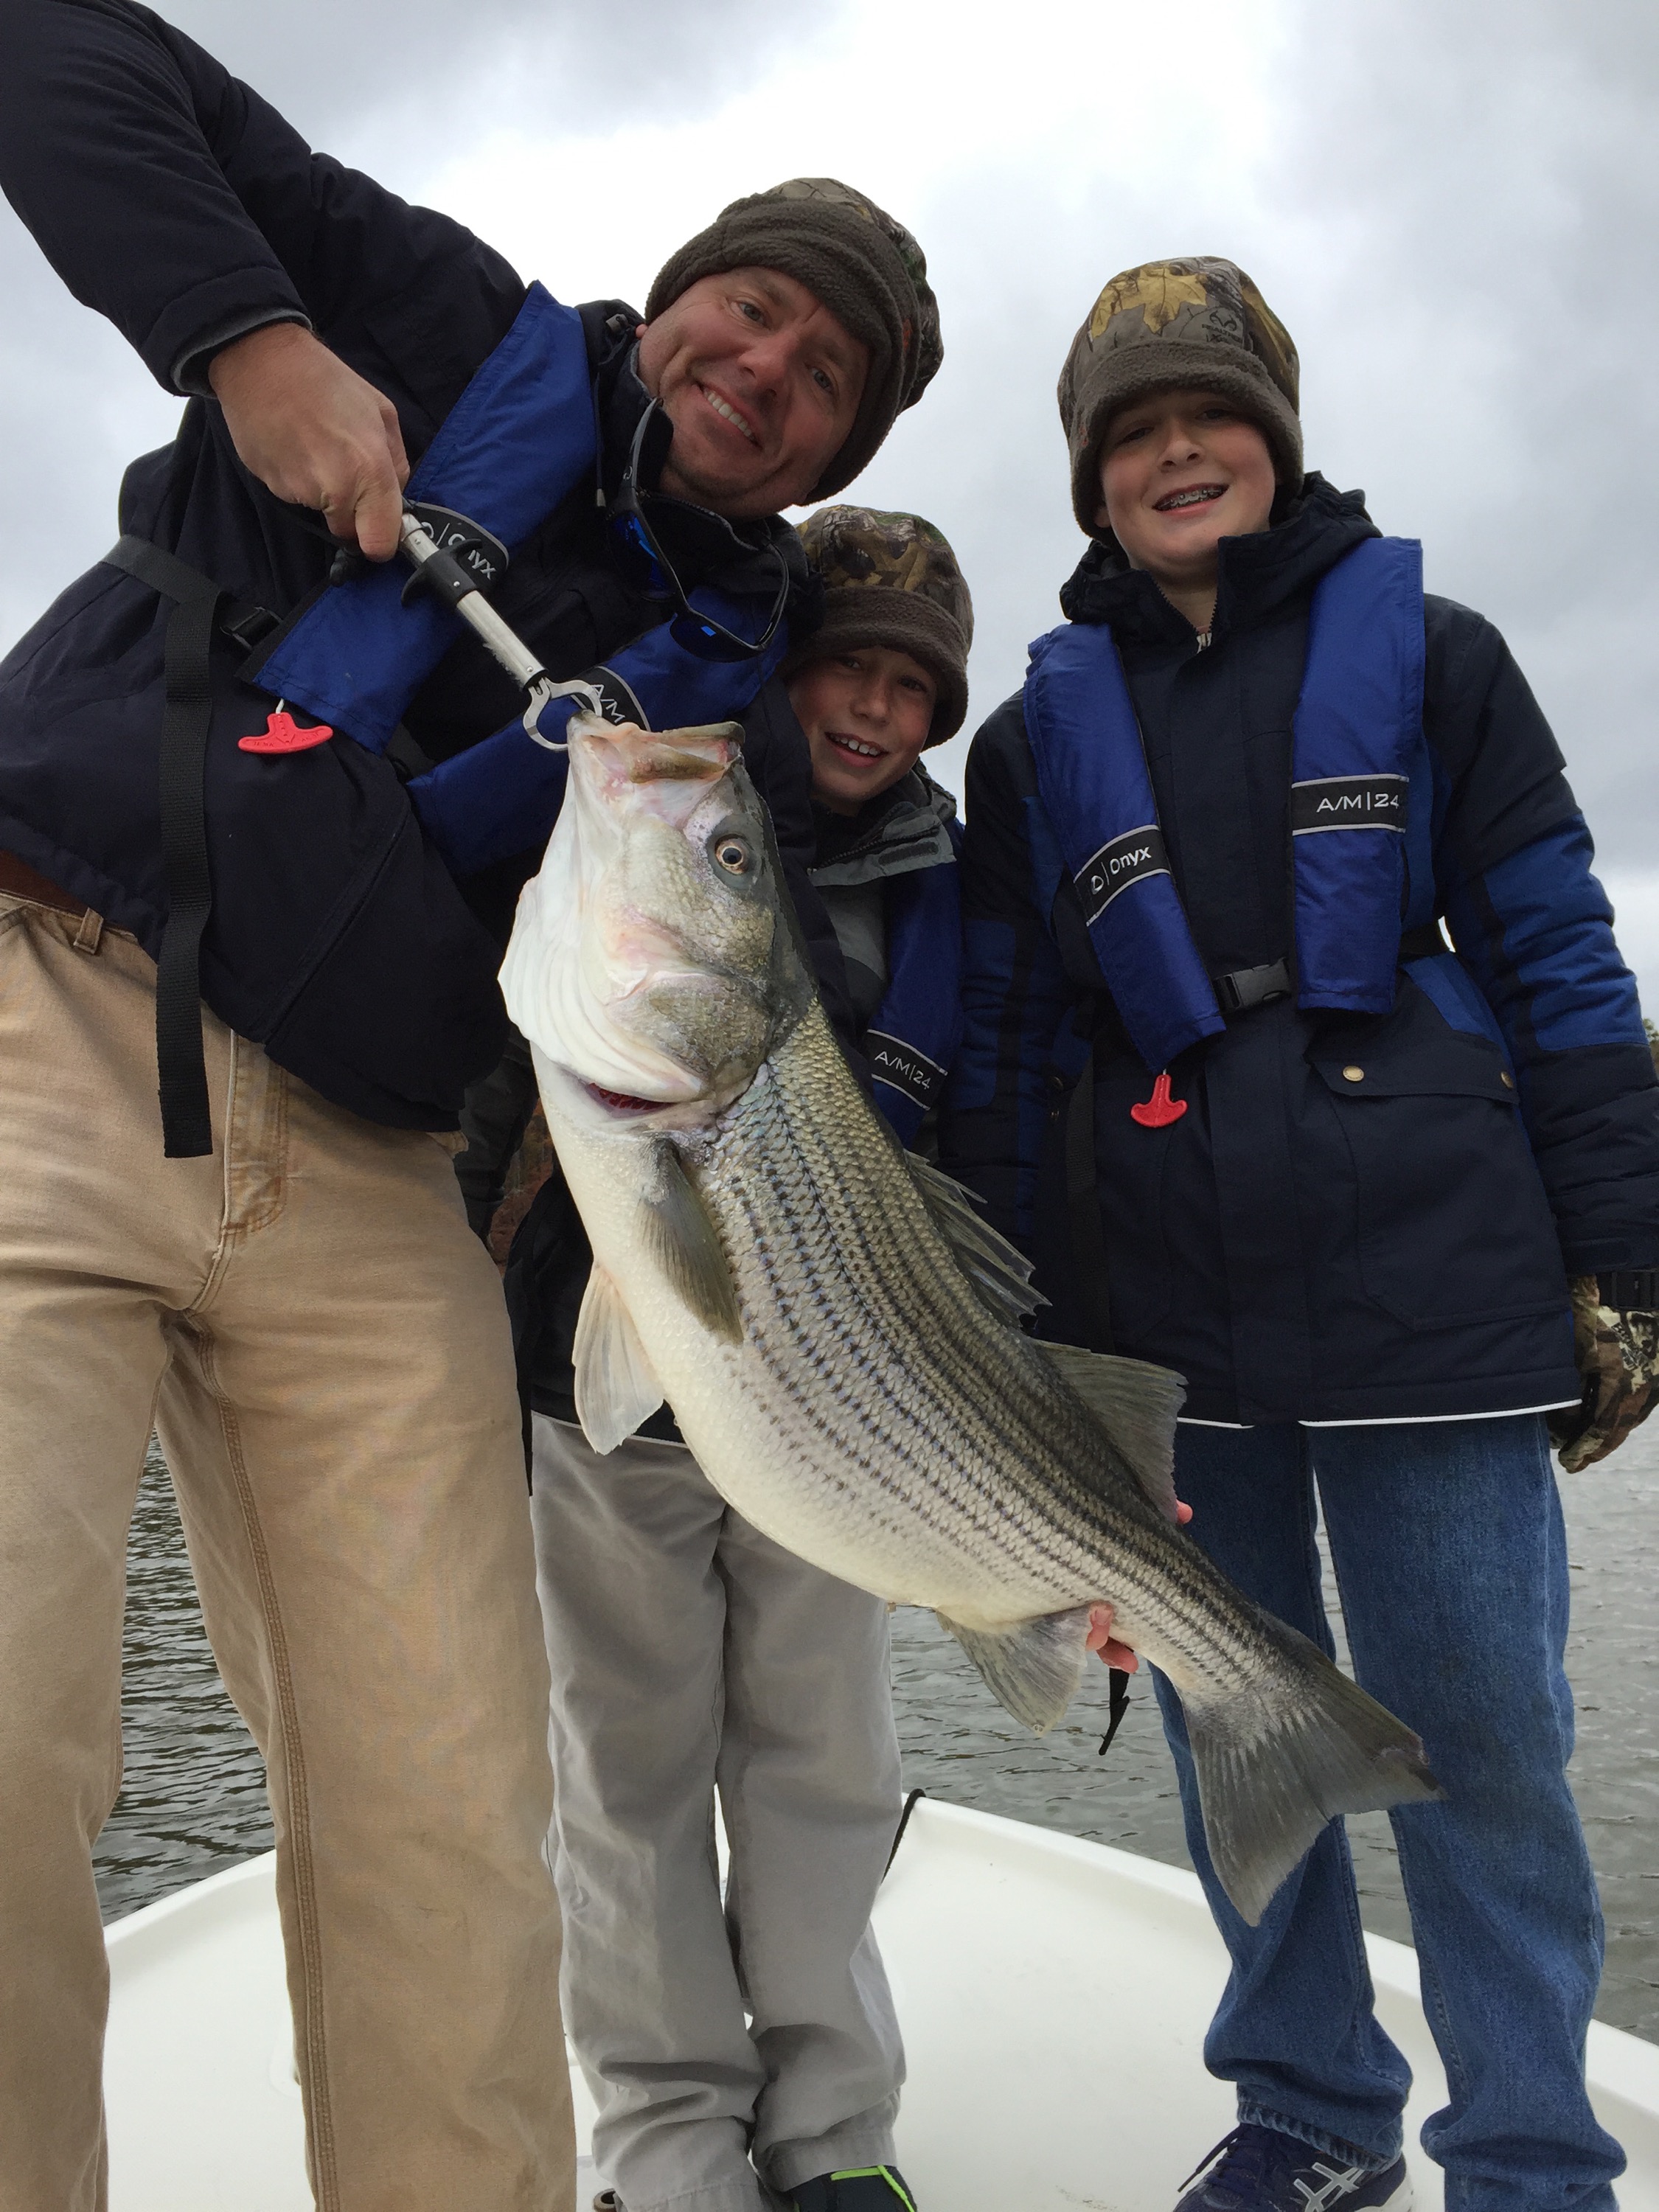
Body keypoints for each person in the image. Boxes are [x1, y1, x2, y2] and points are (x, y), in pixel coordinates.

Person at [0, 2, 940, 2202]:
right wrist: (249, 339)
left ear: (827, 455)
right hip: (49, 1013)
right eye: (756, 303)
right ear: (680, 290)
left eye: (828, 376)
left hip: (375, 1178)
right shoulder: (434, 312)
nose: (767, 364)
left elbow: (714, 1046)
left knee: (454, 1816)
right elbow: (57, 46)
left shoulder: (748, 673)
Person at [940, 255, 1659, 2212]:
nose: (1178, 449)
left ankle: (1525, 2158)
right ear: (1092, 481)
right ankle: (1309, 2111)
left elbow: (1564, 965)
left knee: (1481, 1745)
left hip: (1434, 1274)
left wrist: (1628, 1254)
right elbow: (1009, 1053)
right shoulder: (1026, 744)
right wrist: (1009, 1320)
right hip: (1157, 1316)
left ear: (1276, 439)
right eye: (1133, 429)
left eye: (1213, 413)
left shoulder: (1443, 656)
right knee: (1226, 1741)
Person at [462, 507, 970, 2212]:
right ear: (783, 667)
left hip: (852, 1420)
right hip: (594, 1398)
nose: (877, 707)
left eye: (915, 685)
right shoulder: (657, 823)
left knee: (828, 1767)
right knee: (625, 1779)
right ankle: (674, 2144)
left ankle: (832, 2143)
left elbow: (980, 1149)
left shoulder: (941, 883)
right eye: (850, 662)